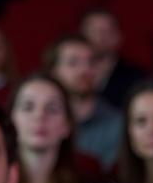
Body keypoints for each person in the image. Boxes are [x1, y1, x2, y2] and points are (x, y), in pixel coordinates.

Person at [9, 72, 90, 183]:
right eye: (28, 107)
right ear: (12, 120)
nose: (39, 116)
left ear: (67, 125)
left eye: (52, 109)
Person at [46, 35, 123, 171]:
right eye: (73, 62)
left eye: (91, 62)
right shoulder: (41, 121)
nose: (85, 69)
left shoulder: (117, 123)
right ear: (53, 72)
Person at [78, 8, 145, 109]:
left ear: (119, 36)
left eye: (107, 31)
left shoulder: (136, 78)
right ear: (81, 35)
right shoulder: (68, 73)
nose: (100, 37)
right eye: (94, 31)